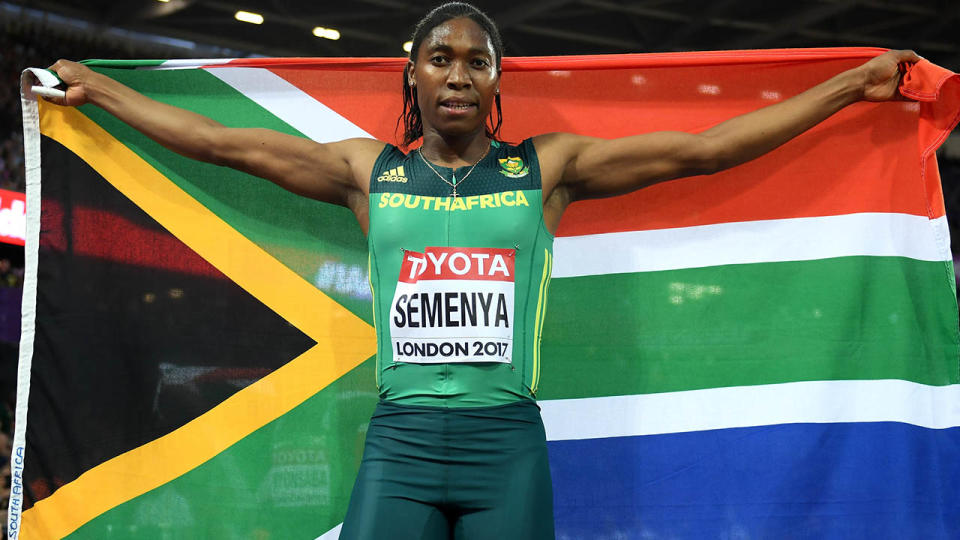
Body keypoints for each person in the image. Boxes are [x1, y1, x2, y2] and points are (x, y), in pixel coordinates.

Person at [43, 2, 920, 539]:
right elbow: (222, 143)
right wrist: (106, 92)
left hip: (506, 449)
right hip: (402, 445)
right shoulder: (366, 173)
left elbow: (706, 148)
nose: (457, 74)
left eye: (476, 62)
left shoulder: (546, 169)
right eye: (440, 59)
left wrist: (848, 87)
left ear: (496, 84)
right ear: (412, 75)